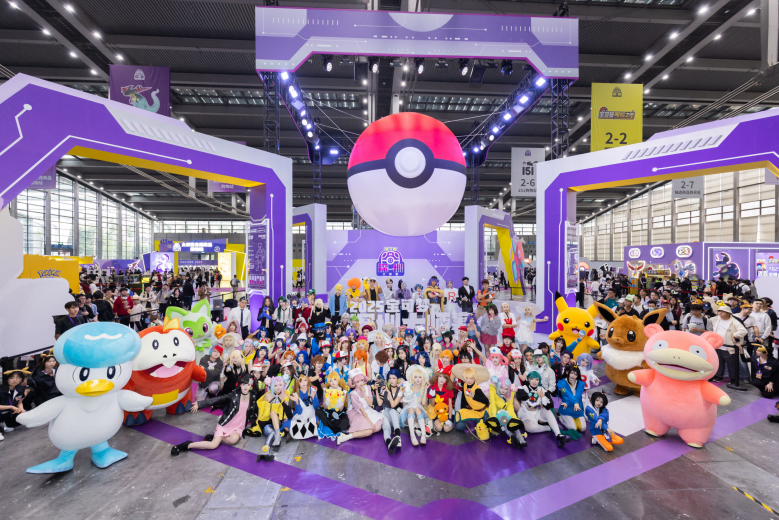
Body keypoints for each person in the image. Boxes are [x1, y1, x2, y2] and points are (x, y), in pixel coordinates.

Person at [171, 374, 260, 456]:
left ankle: (217, 437)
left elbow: (251, 412)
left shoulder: (253, 396)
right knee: (213, 445)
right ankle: (187, 445)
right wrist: (200, 404)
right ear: (240, 384)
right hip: (226, 423)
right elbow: (218, 399)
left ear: (251, 385)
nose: (245, 387)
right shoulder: (234, 394)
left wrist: (254, 425)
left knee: (233, 440)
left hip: (239, 426)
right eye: (243, 384)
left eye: (248, 384)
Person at [516, 370, 569, 448]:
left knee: (547, 410)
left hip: (539, 413)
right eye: (532, 379)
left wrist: (542, 397)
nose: (534, 381)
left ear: (539, 380)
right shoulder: (523, 388)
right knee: (529, 428)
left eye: (537, 379)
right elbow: (524, 401)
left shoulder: (542, 389)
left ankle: (558, 435)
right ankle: (550, 428)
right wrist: (539, 405)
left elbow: (550, 405)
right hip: (527, 414)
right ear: (528, 379)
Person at [337, 370, 383, 445]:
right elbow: (362, 410)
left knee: (378, 428)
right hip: (357, 413)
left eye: (361, 380)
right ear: (354, 383)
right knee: (369, 431)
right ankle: (345, 437)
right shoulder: (353, 394)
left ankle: (361, 431)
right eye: (358, 382)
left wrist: (363, 393)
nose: (361, 383)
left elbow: (370, 403)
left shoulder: (367, 388)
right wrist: (370, 423)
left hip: (367, 410)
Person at [709, 305, 748, 389]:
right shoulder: (715, 319)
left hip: (729, 346)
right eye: (719, 311)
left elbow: (743, 331)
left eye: (722, 311)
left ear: (728, 313)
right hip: (717, 345)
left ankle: (733, 378)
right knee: (718, 362)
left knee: (731, 363)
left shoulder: (734, 321)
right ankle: (719, 376)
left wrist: (735, 335)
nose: (720, 313)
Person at [376, 369, 403, 454]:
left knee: (392, 411)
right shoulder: (384, 389)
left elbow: (393, 405)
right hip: (385, 412)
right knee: (386, 427)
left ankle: (398, 437)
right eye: (390, 378)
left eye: (394, 378)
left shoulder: (400, 391)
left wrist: (389, 392)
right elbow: (380, 403)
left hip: (394, 416)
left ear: (397, 379)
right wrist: (376, 390)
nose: (391, 380)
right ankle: (389, 444)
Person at [0, 368, 29, 439]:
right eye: (12, 378)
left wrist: (21, 410)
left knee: (26, 416)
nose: (15, 380)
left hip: (9, 413)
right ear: (7, 379)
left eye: (18, 377)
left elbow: (19, 402)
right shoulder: (1, 389)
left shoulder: (20, 389)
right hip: (2, 412)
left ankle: (5, 424)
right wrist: (11, 407)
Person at [557, 365, 587, 433]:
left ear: (578, 375)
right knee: (573, 428)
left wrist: (570, 403)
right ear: (567, 372)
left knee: (583, 428)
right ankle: (560, 417)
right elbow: (567, 394)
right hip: (566, 408)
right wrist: (575, 402)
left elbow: (578, 396)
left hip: (577, 408)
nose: (573, 376)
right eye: (571, 373)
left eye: (575, 374)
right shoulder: (561, 384)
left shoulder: (581, 384)